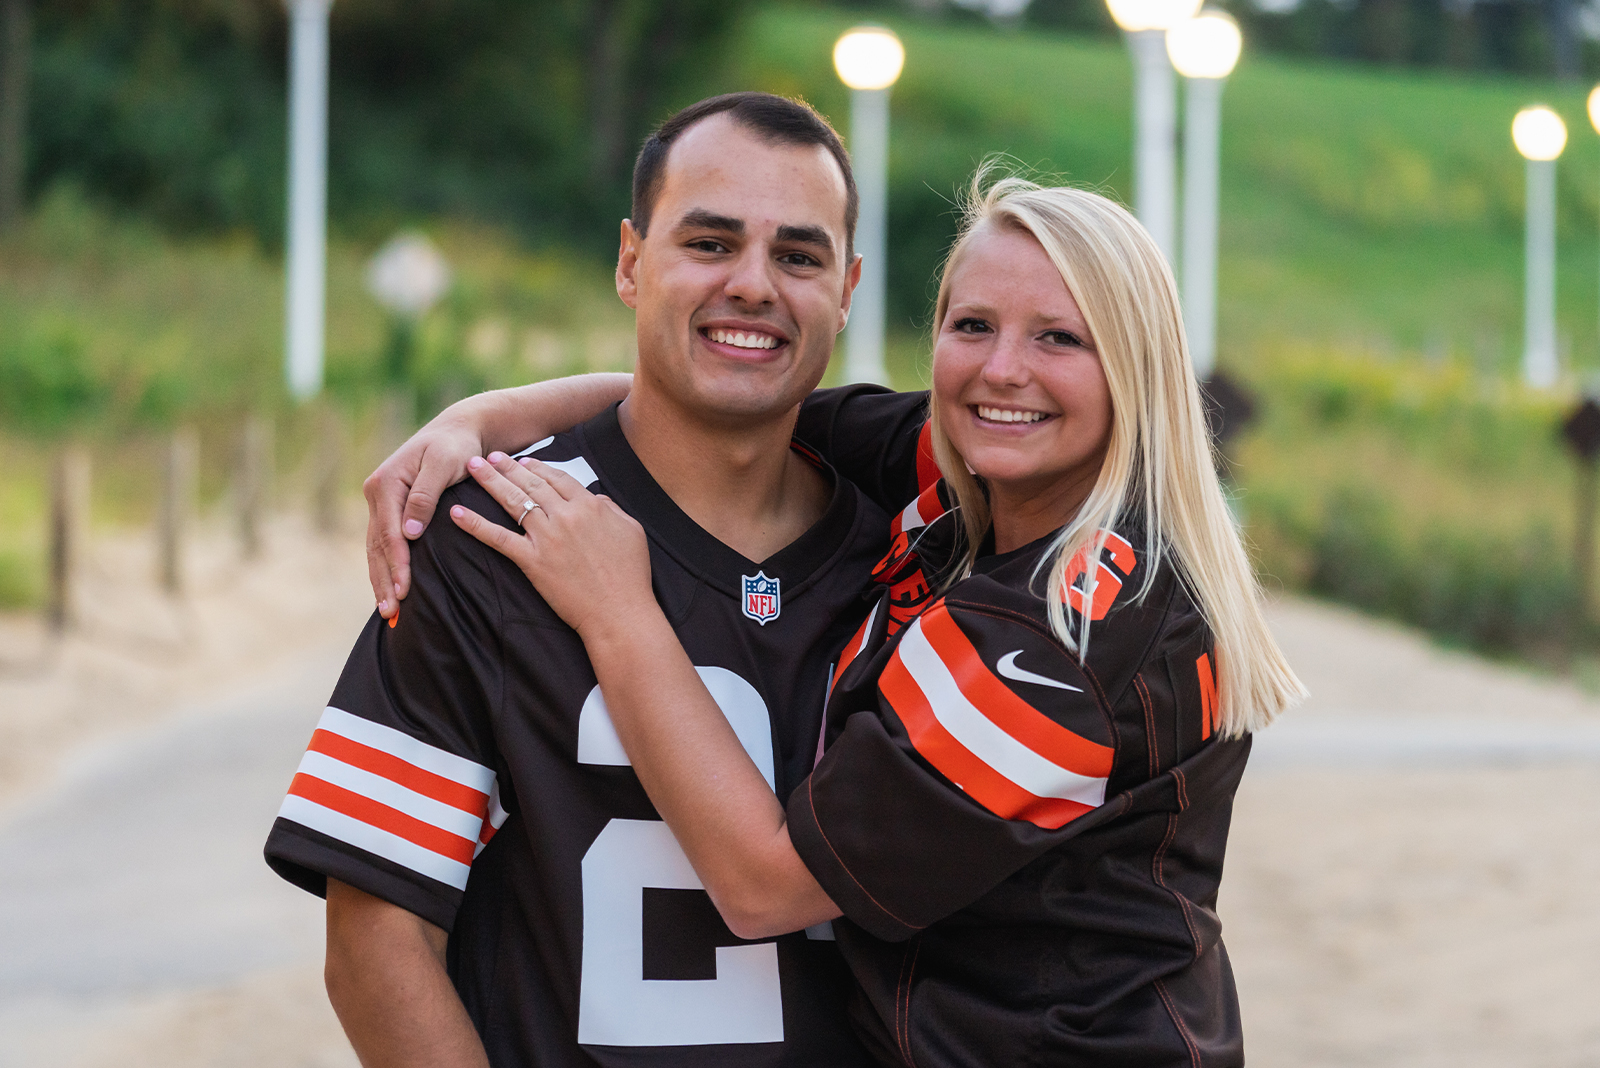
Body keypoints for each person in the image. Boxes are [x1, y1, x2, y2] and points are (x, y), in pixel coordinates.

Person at [388, 174, 1307, 1065]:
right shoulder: (976, 462)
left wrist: (618, 611)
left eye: (1061, 338)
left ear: (1134, 369)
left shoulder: (1068, 633)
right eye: (972, 325)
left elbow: (763, 885)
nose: (1003, 369)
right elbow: (720, 399)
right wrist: (482, 417)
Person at [264, 91, 894, 1067]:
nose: (754, 286)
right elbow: (377, 940)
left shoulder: (915, 556)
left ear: (848, 288)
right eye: (710, 243)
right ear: (631, 261)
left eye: (798, 256)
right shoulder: (490, 534)